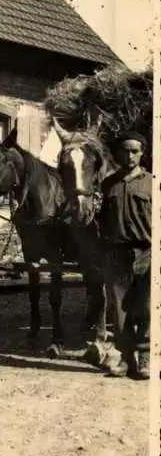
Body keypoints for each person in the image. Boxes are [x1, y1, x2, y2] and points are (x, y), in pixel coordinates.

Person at [99, 131, 152, 379]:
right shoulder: (108, 184)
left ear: (142, 153)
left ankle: (144, 358)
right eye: (125, 151)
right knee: (119, 311)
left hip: (147, 253)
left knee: (146, 308)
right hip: (117, 254)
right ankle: (124, 358)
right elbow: (101, 221)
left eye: (135, 151)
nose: (129, 155)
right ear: (117, 153)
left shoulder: (152, 182)